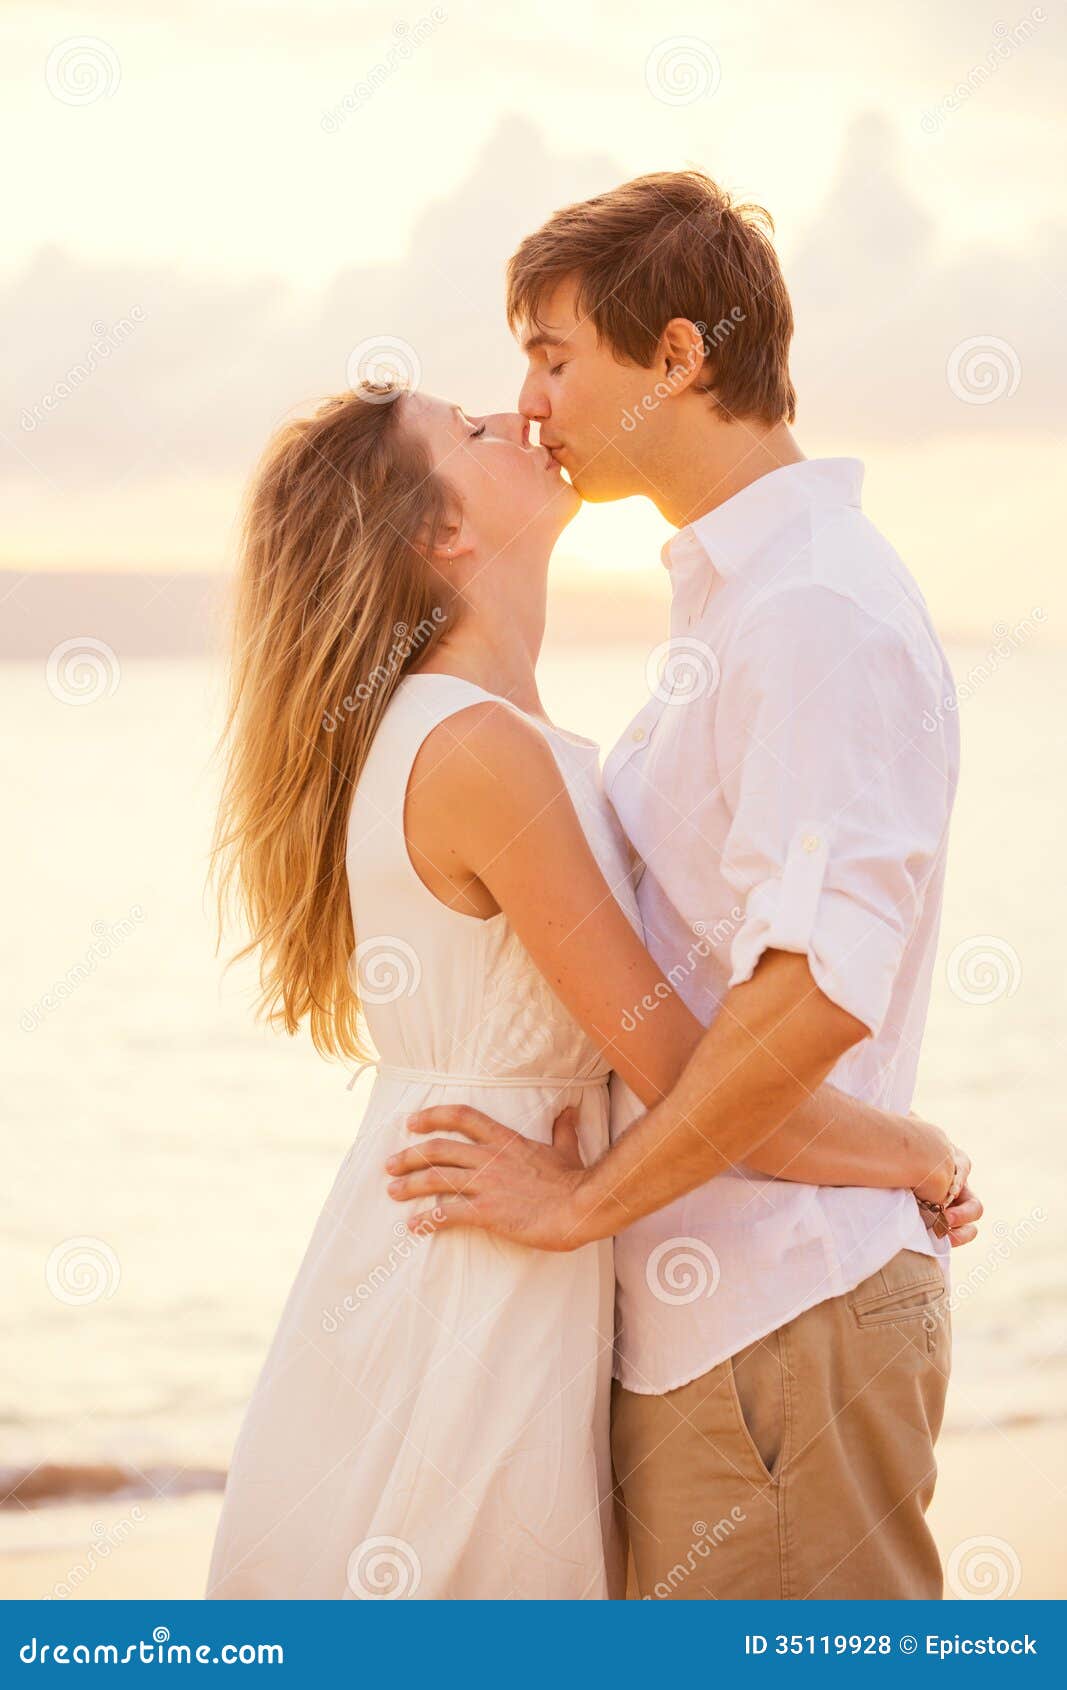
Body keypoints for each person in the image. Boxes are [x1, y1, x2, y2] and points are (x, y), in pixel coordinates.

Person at [206, 374, 971, 1600]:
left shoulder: (473, 731)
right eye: (468, 431)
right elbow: (681, 1064)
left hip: (489, 1232)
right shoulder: (480, 752)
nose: (517, 416)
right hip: (484, 1255)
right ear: (441, 531)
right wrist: (915, 1153)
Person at [382, 171, 982, 1600]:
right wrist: (898, 1145)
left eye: (551, 352)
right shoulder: (737, 599)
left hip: (777, 1313)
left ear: (675, 355)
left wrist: (577, 1201)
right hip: (726, 1320)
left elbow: (811, 997)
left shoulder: (812, 609)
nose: (527, 400)